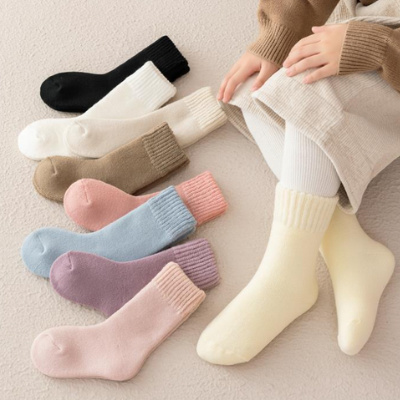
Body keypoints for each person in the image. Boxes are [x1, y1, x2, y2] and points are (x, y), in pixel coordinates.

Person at [197, 0, 400, 364]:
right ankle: (347, 245)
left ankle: (286, 273)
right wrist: (278, 36)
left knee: (313, 90)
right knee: (255, 87)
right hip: (363, 18)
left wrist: (377, 46)